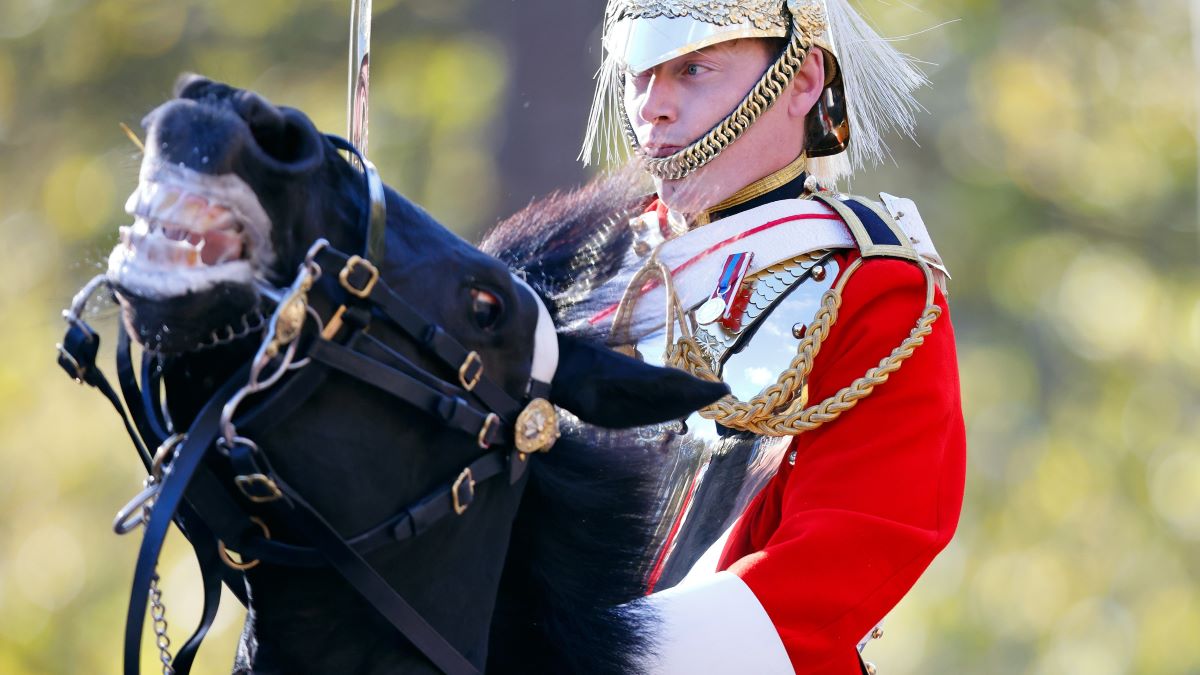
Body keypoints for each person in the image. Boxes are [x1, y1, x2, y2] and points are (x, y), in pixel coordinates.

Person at [575, 1, 968, 672]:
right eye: (639, 76)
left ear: (804, 80)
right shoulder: (594, 265)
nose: (653, 108)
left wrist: (587, 655)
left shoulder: (871, 290)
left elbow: (832, 568)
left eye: (693, 68)